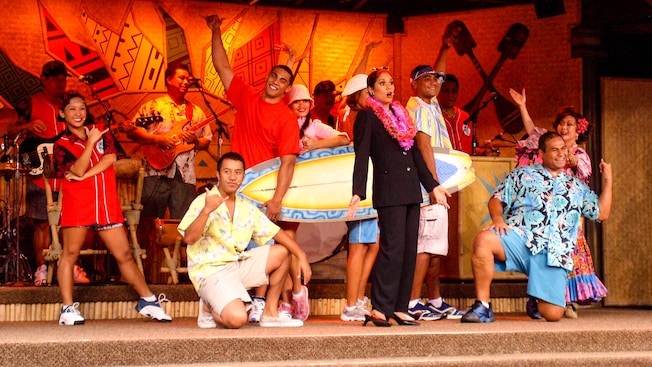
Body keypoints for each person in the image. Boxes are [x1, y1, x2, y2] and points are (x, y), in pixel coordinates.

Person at [205, 14, 307, 323]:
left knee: (267, 250)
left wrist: (276, 199)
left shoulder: (286, 118)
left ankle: (264, 305)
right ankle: (226, 303)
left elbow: (289, 162)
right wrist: (216, 30)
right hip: (236, 185)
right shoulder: (247, 96)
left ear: (288, 88)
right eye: (274, 76)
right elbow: (222, 67)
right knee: (230, 247)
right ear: (268, 76)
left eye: (283, 81)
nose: (276, 82)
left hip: (262, 190)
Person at [461, 132, 613, 323]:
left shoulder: (576, 186)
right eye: (554, 149)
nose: (560, 154)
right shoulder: (523, 174)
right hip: (521, 240)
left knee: (552, 315)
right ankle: (482, 306)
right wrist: (498, 219)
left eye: (563, 149)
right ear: (541, 152)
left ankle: (536, 295)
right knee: (484, 240)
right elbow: (496, 199)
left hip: (554, 255)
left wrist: (608, 180)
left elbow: (602, 213)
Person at [52, 91, 172, 325]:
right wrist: (90, 145)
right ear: (62, 113)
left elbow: (110, 160)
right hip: (78, 203)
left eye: (82, 108)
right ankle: (67, 309)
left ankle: (147, 300)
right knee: (70, 254)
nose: (78, 113)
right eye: (72, 109)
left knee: (125, 255)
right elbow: (74, 169)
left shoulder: (101, 132)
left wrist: (84, 173)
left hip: (106, 203)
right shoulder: (61, 144)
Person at [346, 68, 450, 327]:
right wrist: (358, 192)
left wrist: (433, 186)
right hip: (388, 191)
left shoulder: (402, 114)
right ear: (371, 90)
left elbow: (415, 155)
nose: (389, 87)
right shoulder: (367, 118)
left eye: (391, 82)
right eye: (383, 83)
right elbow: (361, 156)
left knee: (407, 251)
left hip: (410, 190)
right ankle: (380, 308)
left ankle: (400, 307)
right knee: (392, 250)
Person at [177, 152, 312, 328]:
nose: (232, 177)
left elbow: (276, 233)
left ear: (243, 176)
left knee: (283, 251)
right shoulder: (203, 201)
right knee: (238, 319)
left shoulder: (245, 207)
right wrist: (206, 211)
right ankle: (209, 306)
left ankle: (270, 313)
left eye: (238, 172)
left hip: (236, 266)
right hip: (210, 273)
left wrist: (301, 255)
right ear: (218, 175)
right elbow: (189, 238)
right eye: (227, 172)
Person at [509, 88, 607, 318]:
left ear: (578, 130)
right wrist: (523, 106)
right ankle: (539, 299)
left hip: (567, 216)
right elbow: (533, 131)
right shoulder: (550, 148)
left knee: (566, 257)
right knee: (540, 255)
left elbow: (583, 172)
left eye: (569, 124)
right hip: (543, 213)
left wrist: (566, 154)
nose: (564, 128)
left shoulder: (580, 154)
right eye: (561, 124)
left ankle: (565, 300)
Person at [14, 60, 89, 286]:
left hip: (68, 174)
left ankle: (70, 266)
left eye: (63, 78)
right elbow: (10, 129)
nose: (61, 82)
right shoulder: (30, 103)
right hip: (40, 175)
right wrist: (27, 126)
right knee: (42, 223)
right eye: (55, 78)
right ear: (43, 80)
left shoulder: (72, 105)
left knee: (71, 221)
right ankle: (42, 269)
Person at [283, 84, 350, 319]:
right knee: (283, 245)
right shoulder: (281, 125)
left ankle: (296, 293)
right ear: (288, 105)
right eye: (296, 102)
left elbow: (343, 139)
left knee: (290, 243)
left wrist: (317, 144)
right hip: (283, 190)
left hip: (305, 193)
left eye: (305, 101)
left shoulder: (315, 126)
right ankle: (288, 296)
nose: (302, 105)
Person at [404, 64, 464, 321]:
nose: (433, 83)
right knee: (425, 246)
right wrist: (433, 185)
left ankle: (435, 300)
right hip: (429, 187)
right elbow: (424, 145)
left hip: (438, 185)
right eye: (426, 79)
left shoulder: (432, 106)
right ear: (413, 83)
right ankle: (413, 302)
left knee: (436, 247)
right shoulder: (418, 108)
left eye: (436, 79)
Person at [128, 61, 212, 220]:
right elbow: (133, 132)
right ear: (168, 79)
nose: (186, 82)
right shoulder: (153, 106)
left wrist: (194, 141)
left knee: (182, 223)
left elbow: (206, 141)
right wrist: (157, 139)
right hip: (155, 171)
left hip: (185, 175)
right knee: (149, 222)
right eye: (181, 78)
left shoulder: (196, 111)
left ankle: (177, 245)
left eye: (188, 79)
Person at [337, 73, 379, 322]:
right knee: (358, 245)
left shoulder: (369, 114)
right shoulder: (359, 116)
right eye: (368, 92)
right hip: (360, 188)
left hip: (372, 187)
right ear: (357, 97)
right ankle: (351, 303)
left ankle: (359, 297)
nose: (372, 96)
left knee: (372, 244)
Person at [438, 74, 473, 154]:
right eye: (446, 91)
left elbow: (471, 149)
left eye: (454, 91)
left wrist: (484, 152)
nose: (450, 95)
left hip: (466, 164)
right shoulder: (434, 116)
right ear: (439, 92)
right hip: (445, 164)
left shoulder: (466, 117)